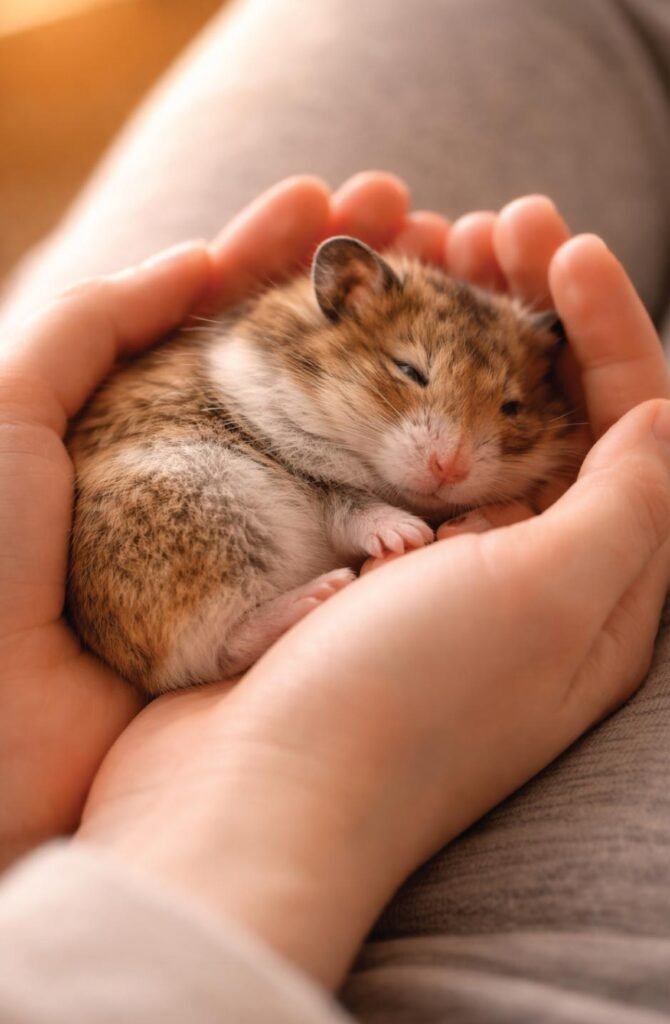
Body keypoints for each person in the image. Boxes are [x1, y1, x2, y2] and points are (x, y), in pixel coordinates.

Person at [1, 0, 670, 1019]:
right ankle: (229, 631)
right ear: (344, 302)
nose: (450, 458)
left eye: (495, 415)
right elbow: (294, 467)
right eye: (408, 377)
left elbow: (352, 488)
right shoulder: (265, 368)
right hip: (182, 567)